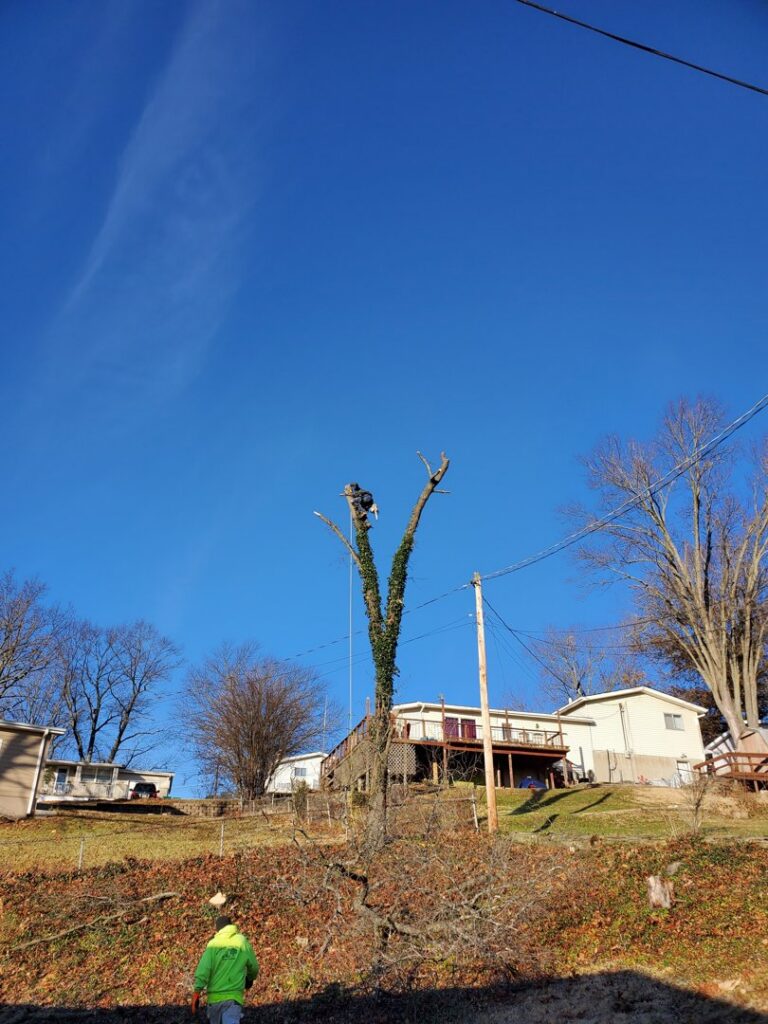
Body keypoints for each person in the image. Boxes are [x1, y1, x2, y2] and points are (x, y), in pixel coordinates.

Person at [192, 915, 259, 1023]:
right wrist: (250, 979)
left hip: (214, 1000)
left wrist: (197, 993)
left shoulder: (213, 944)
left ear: (218, 929)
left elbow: (203, 970)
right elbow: (254, 967)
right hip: (233, 998)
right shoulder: (241, 941)